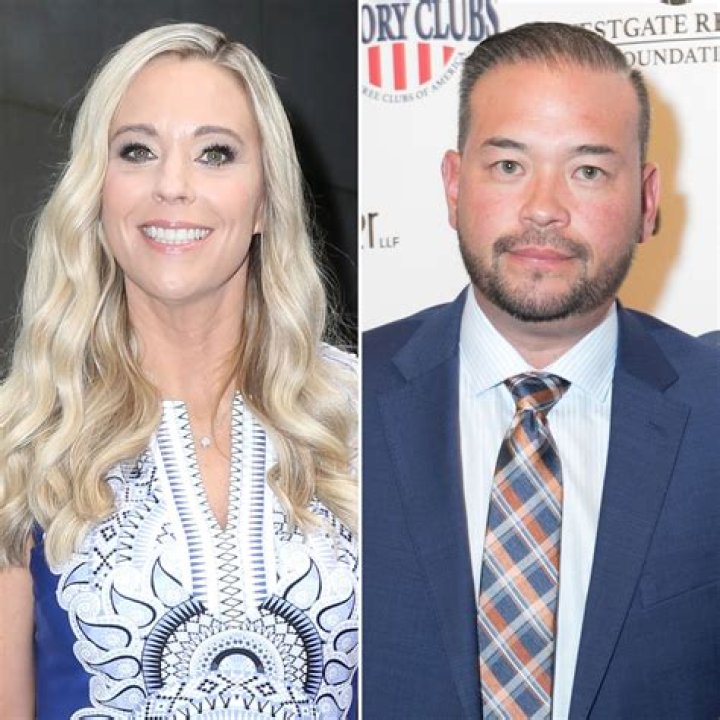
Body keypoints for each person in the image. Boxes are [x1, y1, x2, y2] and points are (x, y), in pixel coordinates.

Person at [363, 21, 720, 719]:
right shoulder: (343, 398)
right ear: (453, 186)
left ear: (646, 201)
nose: (544, 210)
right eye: (508, 166)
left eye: (588, 171)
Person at [0, 23, 357, 719]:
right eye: (137, 151)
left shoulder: (364, 417)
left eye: (215, 153)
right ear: (97, 192)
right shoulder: (22, 435)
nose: (172, 186)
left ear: (265, 200)